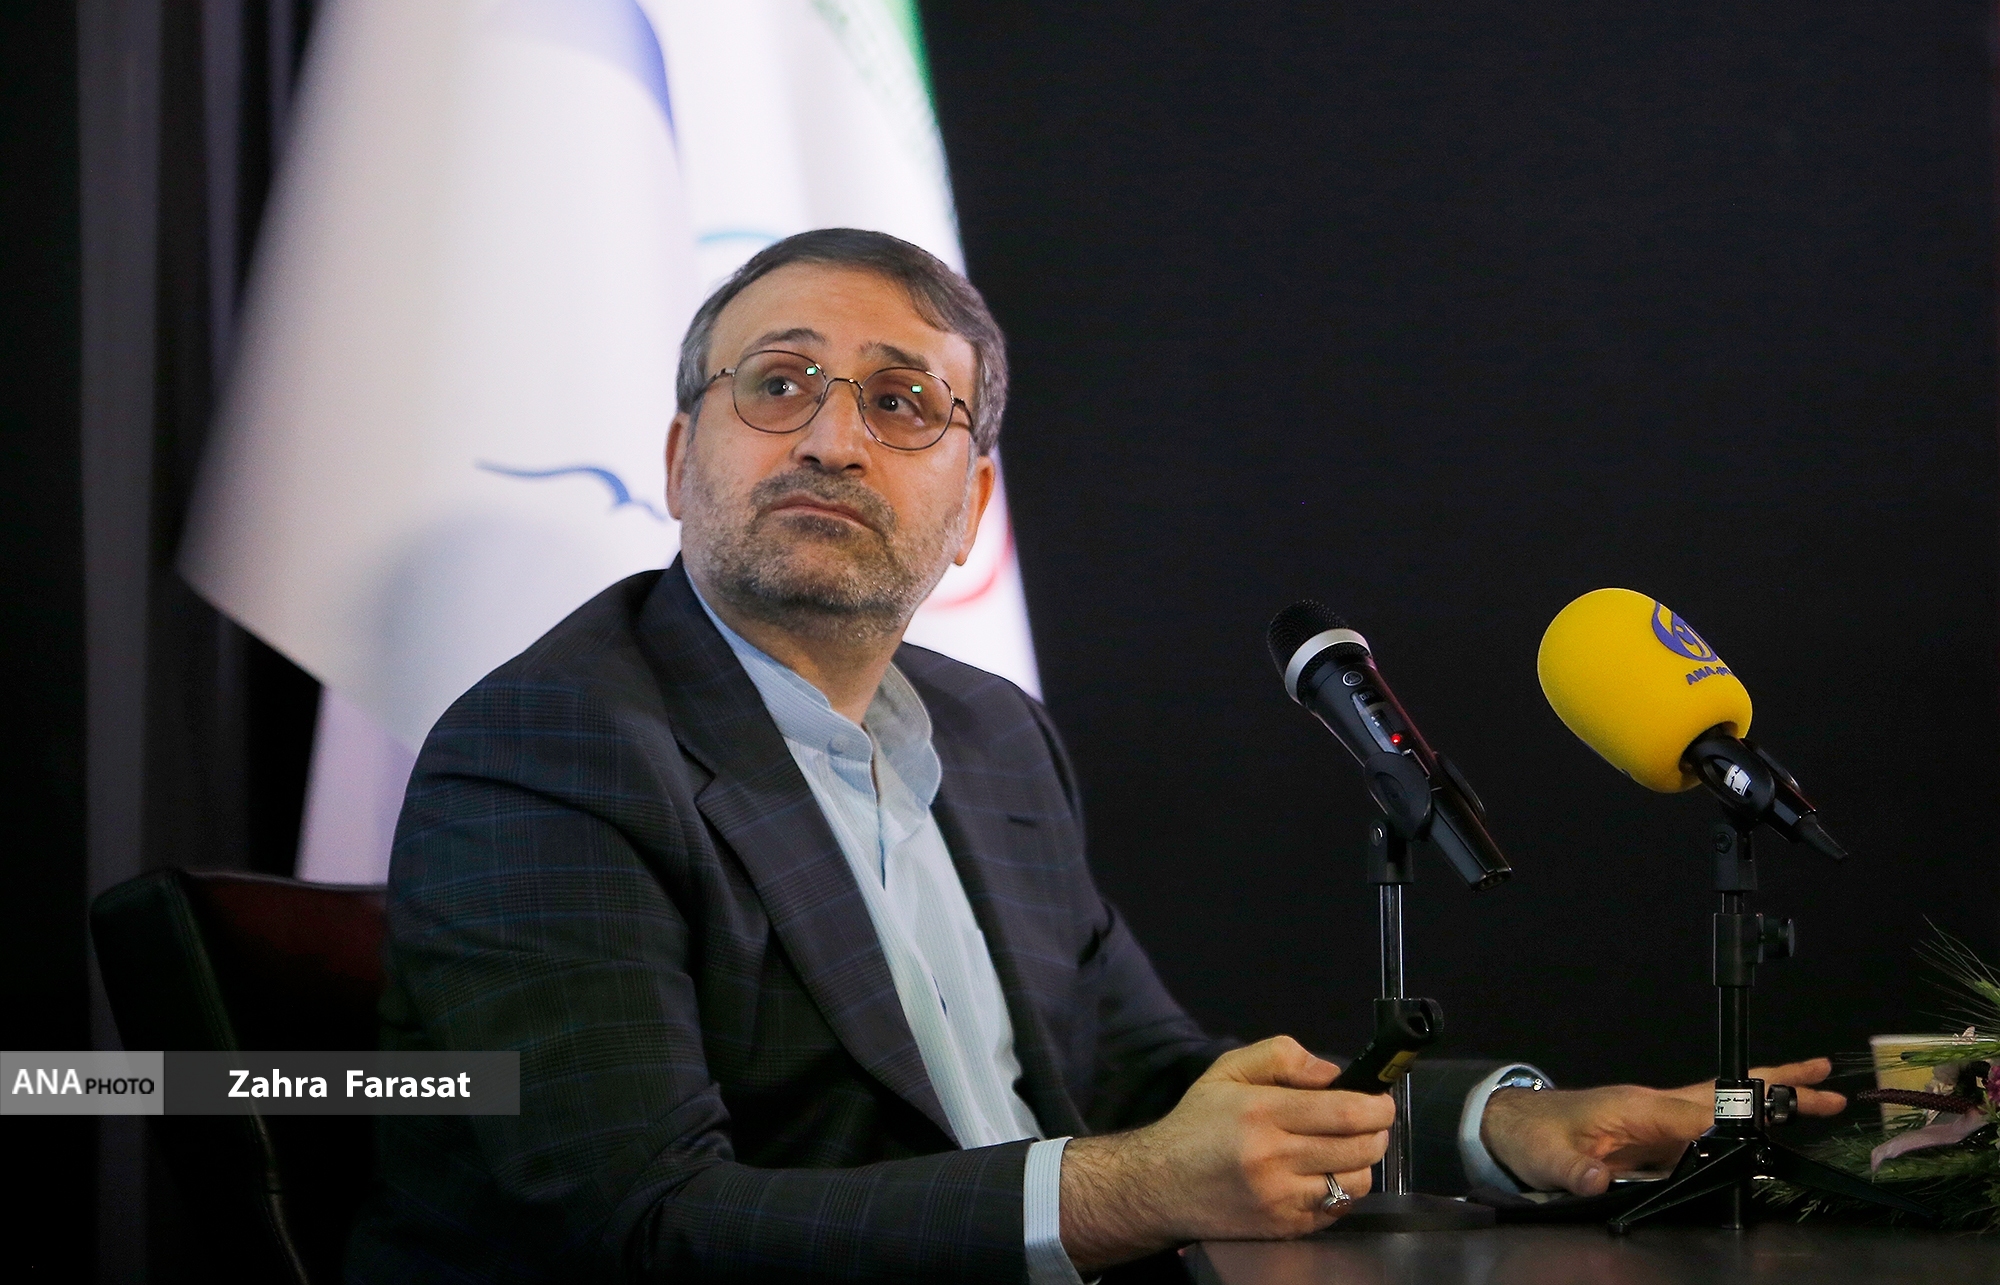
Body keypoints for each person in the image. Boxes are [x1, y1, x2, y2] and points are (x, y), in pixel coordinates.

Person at [347, 229, 1844, 1283]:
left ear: (969, 509)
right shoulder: (552, 747)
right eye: (778, 383)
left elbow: (1157, 1082)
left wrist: (1501, 1128)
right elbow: (640, 1225)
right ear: (683, 460)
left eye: (900, 402)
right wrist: (1126, 1191)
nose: (832, 440)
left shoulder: (996, 738)